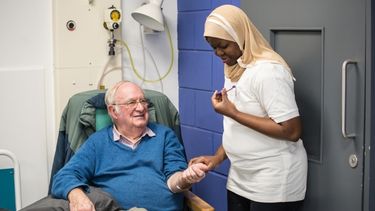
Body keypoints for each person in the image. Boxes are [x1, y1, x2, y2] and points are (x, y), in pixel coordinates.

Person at [189, 4, 308, 211]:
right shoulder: (234, 67)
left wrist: (232, 112)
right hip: (240, 177)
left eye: (223, 45)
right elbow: (238, 126)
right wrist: (217, 158)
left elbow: (292, 131)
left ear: (240, 35)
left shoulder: (269, 72)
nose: (218, 53)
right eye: (213, 47)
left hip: (273, 180)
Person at [29, 81, 208, 211]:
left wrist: (185, 177)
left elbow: (173, 180)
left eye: (143, 101)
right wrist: (77, 196)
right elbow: (64, 176)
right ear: (113, 111)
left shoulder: (164, 136)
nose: (141, 108)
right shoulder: (98, 143)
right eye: (132, 102)